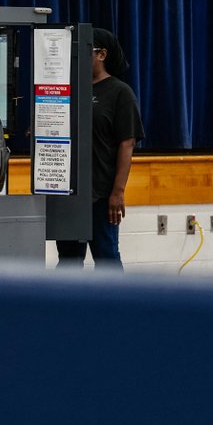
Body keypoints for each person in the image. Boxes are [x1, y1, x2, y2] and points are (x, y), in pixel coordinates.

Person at [56, 28, 145, 270]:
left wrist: (118, 192)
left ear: (102, 54)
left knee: (106, 256)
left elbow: (127, 144)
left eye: (83, 51)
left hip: (102, 193)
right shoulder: (68, 89)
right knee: (68, 260)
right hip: (68, 191)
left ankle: (116, 307)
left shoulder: (120, 93)